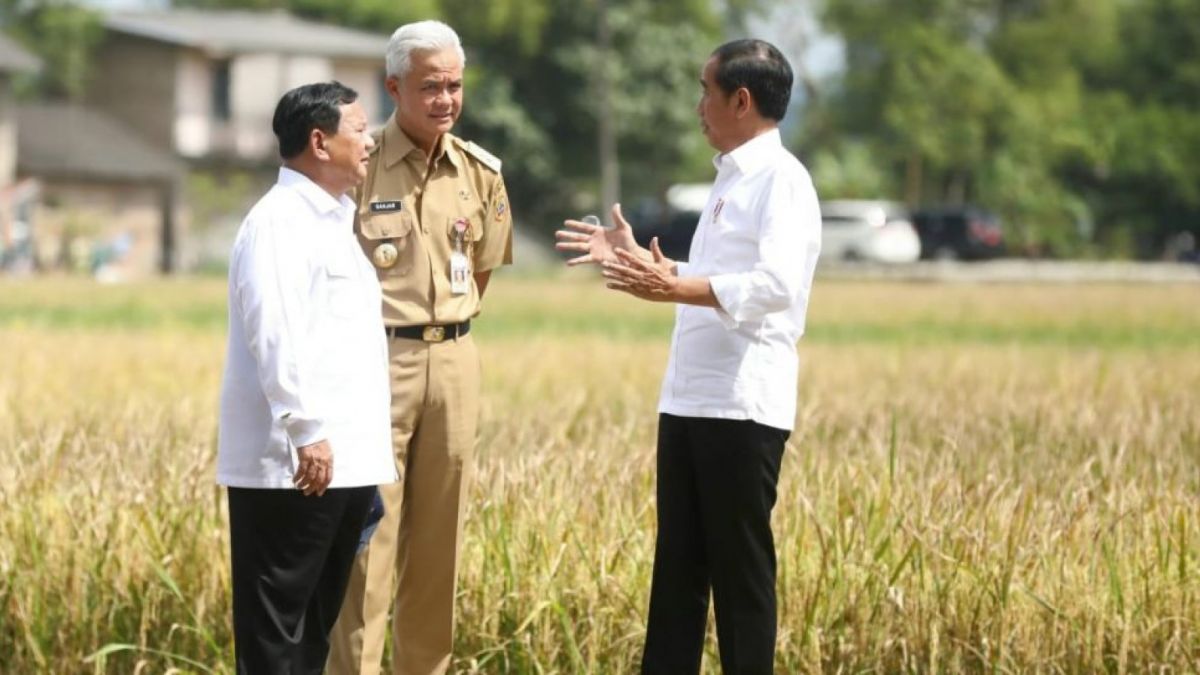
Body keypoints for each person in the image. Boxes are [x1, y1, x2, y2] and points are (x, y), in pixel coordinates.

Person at [556, 39, 821, 674]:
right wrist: (642, 262)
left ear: (741, 99)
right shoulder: (732, 179)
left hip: (742, 405)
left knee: (740, 577)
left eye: (706, 90)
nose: (698, 104)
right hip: (690, 399)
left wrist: (675, 286)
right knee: (677, 569)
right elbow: (712, 274)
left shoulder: (782, 181)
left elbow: (777, 285)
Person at [326, 20, 514, 675]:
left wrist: (444, 329)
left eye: (455, 86)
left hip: (457, 359)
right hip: (377, 361)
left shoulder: (480, 173)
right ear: (394, 87)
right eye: (430, 85)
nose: (445, 99)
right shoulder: (357, 165)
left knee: (440, 541)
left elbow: (481, 270)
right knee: (367, 540)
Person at [216, 81, 398, 675]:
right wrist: (306, 427)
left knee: (311, 633)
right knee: (276, 637)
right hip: (293, 466)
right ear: (319, 142)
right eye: (359, 130)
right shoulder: (279, 223)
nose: (370, 141)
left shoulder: (332, 221)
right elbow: (276, 333)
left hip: (340, 460)